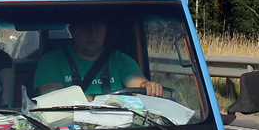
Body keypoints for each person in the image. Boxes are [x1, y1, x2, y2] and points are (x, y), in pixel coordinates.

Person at [33, 20, 163, 99]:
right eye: (85, 28)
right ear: (72, 31)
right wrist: (83, 102)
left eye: (98, 29)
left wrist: (147, 86)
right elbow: (51, 96)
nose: (92, 34)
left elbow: (138, 84)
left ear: (105, 31)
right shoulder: (52, 60)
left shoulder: (121, 60)